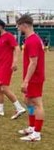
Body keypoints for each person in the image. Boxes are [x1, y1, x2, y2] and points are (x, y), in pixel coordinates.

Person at [0, 19, 26, 120]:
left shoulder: (8, 36)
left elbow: (17, 48)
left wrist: (14, 62)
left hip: (6, 66)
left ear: (0, 26)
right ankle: (0, 110)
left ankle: (19, 108)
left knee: (4, 88)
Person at [16, 13, 46, 142]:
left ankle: (36, 133)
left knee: (37, 104)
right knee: (27, 101)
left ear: (25, 25)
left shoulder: (33, 40)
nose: (17, 29)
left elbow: (33, 62)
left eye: (18, 26)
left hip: (35, 77)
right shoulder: (30, 39)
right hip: (32, 77)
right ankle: (32, 126)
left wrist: (26, 81)